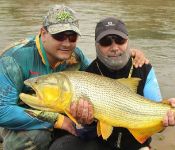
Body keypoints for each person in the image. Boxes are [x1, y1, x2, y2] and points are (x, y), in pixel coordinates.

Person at [0, 5, 148, 150]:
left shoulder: (75, 56)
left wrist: (127, 55)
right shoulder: (13, 60)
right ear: (43, 33)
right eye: (59, 36)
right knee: (35, 137)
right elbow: (2, 111)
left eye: (72, 37)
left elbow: (98, 76)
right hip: (23, 119)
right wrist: (57, 120)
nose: (66, 43)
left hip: (60, 110)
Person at [49, 17, 175, 150]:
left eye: (120, 40)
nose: (114, 47)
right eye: (106, 42)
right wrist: (83, 121)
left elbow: (159, 122)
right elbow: (82, 128)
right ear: (96, 45)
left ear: (128, 41)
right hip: (101, 143)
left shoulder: (143, 68)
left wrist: (168, 117)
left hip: (136, 144)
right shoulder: (88, 74)